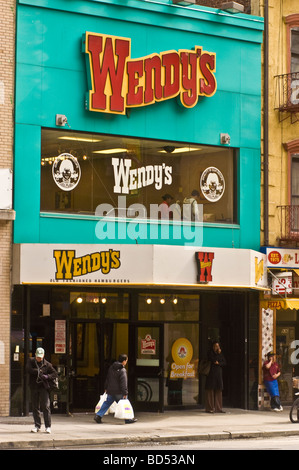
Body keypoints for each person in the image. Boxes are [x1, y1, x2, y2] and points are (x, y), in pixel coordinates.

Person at [94, 354, 137, 424]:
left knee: (107, 403)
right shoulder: (122, 370)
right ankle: (128, 419)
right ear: (123, 361)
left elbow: (108, 378)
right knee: (124, 403)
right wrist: (125, 392)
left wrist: (106, 387)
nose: (126, 362)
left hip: (110, 390)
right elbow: (123, 383)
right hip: (119, 392)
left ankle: (98, 416)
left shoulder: (111, 368)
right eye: (126, 360)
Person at [26, 347, 58, 433]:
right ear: (35, 355)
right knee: (35, 406)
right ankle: (37, 425)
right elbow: (28, 369)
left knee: (45, 406)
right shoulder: (31, 361)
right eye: (37, 357)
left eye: (40, 357)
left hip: (43, 387)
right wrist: (39, 371)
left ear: (43, 356)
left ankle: (48, 426)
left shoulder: (47, 365)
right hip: (34, 387)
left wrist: (47, 376)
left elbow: (55, 373)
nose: (39, 358)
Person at [205, 341, 226, 413]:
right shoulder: (210, 353)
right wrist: (217, 359)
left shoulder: (220, 353)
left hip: (218, 374)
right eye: (215, 346)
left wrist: (219, 361)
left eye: (217, 346)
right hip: (211, 373)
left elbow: (224, 362)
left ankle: (218, 408)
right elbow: (213, 359)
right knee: (210, 390)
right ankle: (209, 408)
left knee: (219, 390)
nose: (216, 348)